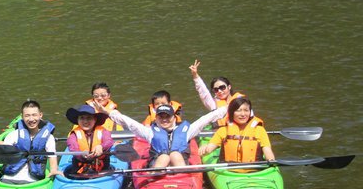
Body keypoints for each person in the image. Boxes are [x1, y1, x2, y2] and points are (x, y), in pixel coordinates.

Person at [94, 101, 227, 168]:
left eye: (167, 117)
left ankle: (181, 176)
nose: (164, 119)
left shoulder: (187, 130)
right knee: (164, 156)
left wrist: (228, 108)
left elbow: (206, 119)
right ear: (156, 118)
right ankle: (155, 175)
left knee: (174, 154)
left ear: (174, 118)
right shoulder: (150, 132)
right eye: (161, 117)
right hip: (157, 164)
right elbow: (129, 123)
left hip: (180, 165)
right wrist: (107, 112)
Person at [0, 100, 61, 184]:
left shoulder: (49, 138)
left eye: (34, 115)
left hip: (33, 180)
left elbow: (52, 157)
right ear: (22, 117)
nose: (31, 119)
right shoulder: (13, 135)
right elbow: (5, 154)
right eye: (27, 116)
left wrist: (53, 170)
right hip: (9, 178)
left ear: (40, 115)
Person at [198, 97, 275, 164]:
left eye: (246, 110)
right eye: (238, 110)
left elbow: (267, 149)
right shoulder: (223, 130)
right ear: (231, 113)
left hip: (254, 169)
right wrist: (205, 149)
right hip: (229, 171)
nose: (243, 114)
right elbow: (210, 148)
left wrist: (271, 160)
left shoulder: (259, 130)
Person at [189, 59, 249, 126]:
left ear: (229, 87)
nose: (219, 91)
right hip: (222, 132)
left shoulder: (240, 100)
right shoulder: (213, 105)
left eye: (222, 87)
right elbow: (203, 93)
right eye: (216, 89)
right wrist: (195, 76)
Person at [64, 104, 114, 177]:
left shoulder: (103, 131)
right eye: (82, 118)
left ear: (95, 119)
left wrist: (101, 147)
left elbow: (109, 141)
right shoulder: (73, 135)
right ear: (77, 120)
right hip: (80, 171)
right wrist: (81, 154)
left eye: (89, 118)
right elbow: (72, 147)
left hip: (102, 169)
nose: (85, 121)